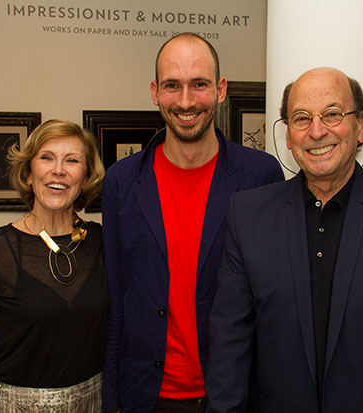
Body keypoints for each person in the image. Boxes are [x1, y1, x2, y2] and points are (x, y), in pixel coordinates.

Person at [206, 67, 363, 412]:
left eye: (333, 114)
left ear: (360, 127)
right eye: (301, 118)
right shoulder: (248, 215)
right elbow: (229, 344)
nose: (317, 131)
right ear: (288, 135)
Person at [101, 33, 284, 413]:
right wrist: (113, 400)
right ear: (155, 92)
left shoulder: (259, 175)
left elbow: (277, 297)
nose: (186, 101)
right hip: (147, 396)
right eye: (172, 85)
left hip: (234, 394)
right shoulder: (121, 181)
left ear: (220, 90)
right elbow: (117, 298)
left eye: (199, 84)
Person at [0, 119, 108, 412]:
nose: (59, 169)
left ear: (85, 177)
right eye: (46, 158)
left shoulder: (104, 243)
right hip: (10, 405)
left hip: (94, 403)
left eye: (72, 160)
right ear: (29, 173)